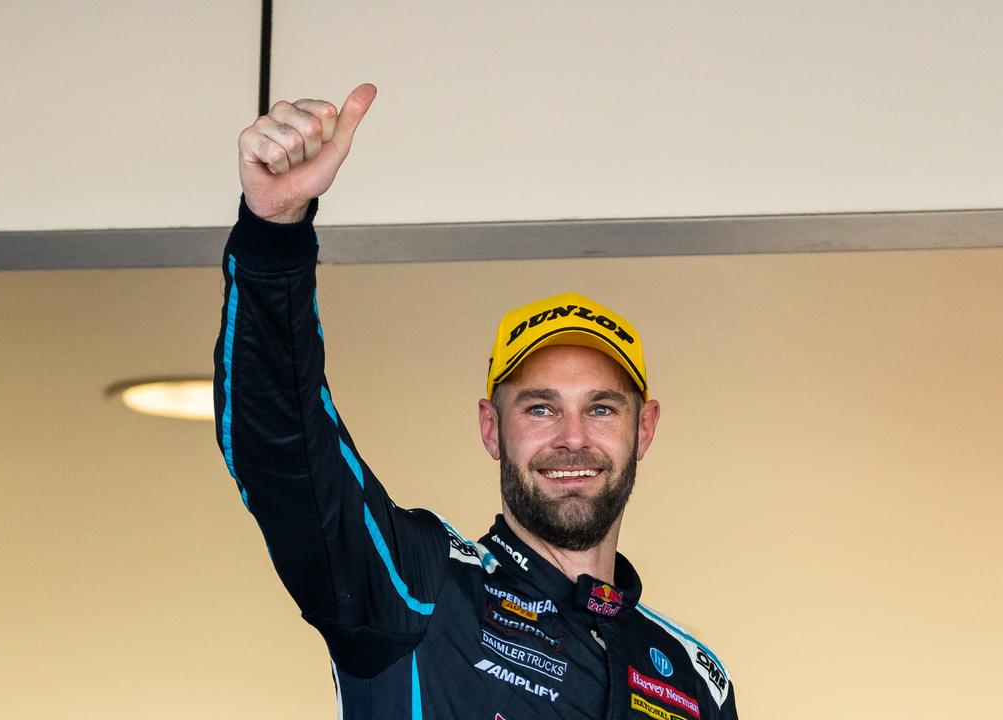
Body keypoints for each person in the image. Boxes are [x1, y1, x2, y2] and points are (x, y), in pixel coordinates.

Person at [214, 83, 738, 719]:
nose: (572, 437)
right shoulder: (419, 588)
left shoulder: (696, 685)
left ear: (645, 428)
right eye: (539, 408)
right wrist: (274, 236)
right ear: (491, 428)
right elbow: (285, 453)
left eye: (601, 408)